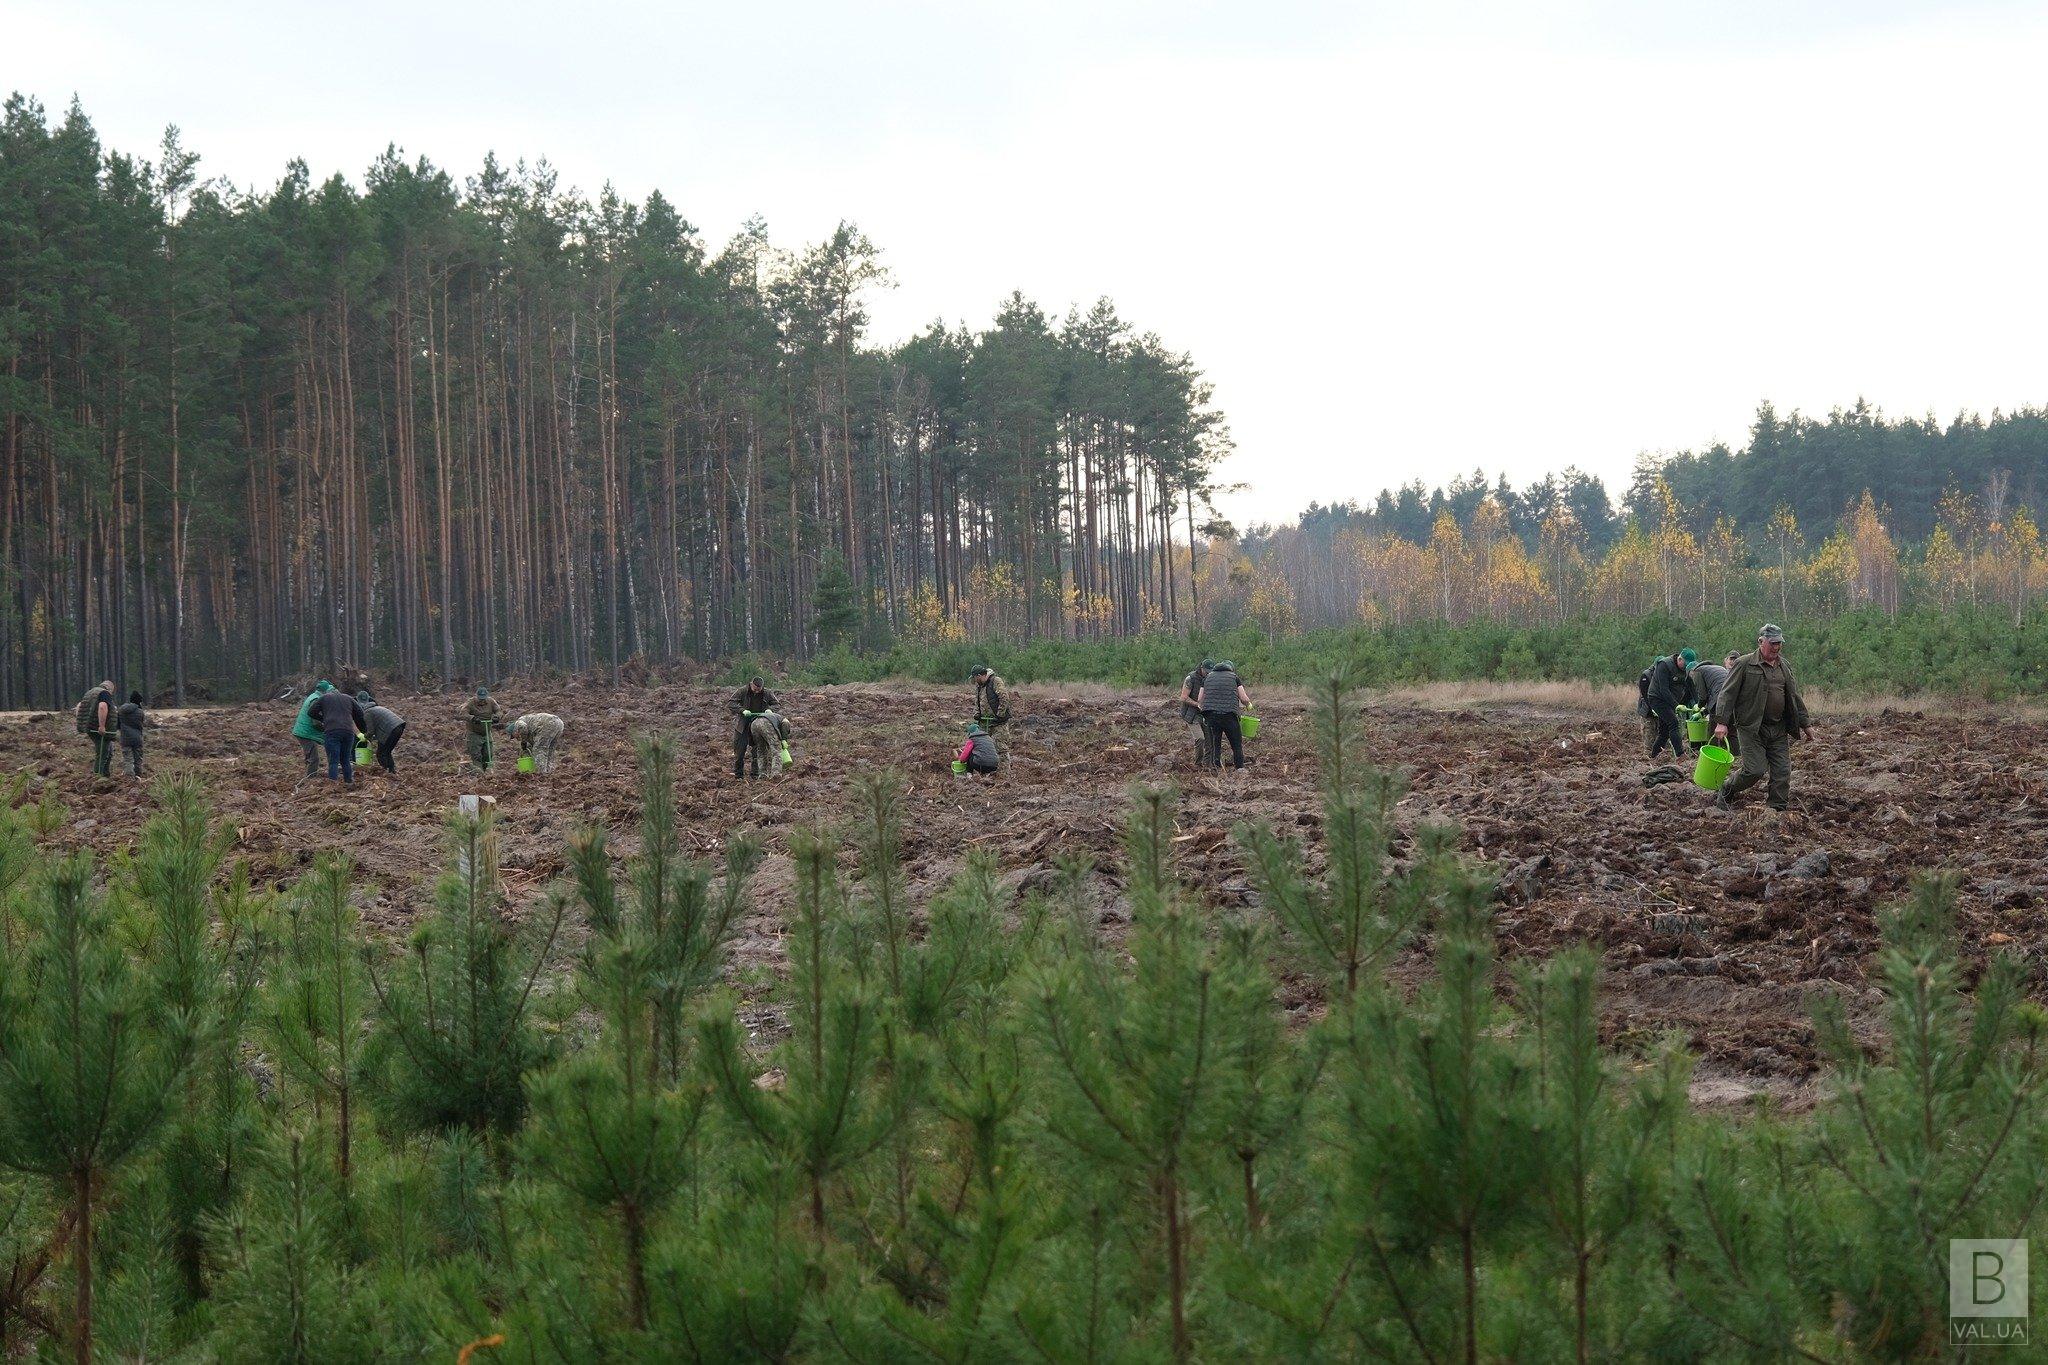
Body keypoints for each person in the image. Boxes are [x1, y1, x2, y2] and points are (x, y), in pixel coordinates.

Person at [1712, 623, 1814, 812]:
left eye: (1779, 643)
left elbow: (1793, 696)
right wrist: (1721, 722)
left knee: (1783, 772)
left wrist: (1805, 724)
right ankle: (1727, 788)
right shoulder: (1744, 663)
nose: (1777, 647)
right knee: (1755, 770)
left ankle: (1776, 809)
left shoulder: (1784, 665)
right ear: (1761, 641)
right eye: (1773, 643)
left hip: (1778, 728)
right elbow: (1727, 694)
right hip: (1751, 727)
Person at [307, 686, 369, 784]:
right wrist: (358, 727)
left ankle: (333, 785)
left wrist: (323, 719)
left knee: (333, 761)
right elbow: (360, 713)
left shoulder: (324, 697)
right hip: (348, 732)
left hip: (332, 731)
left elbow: (311, 712)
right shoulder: (348, 698)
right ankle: (349, 782)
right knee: (345, 760)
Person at [1643, 649, 1696, 760]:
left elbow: (1691, 686)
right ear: (1680, 659)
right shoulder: (1664, 664)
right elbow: (1664, 689)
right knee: (1673, 723)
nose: (1685, 668)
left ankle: (1654, 756)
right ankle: (1680, 755)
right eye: (1685, 665)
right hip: (1657, 698)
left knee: (1664, 731)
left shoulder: (1685, 669)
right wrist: (1676, 705)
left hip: (1670, 700)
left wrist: (1698, 704)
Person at [1200, 659, 1252, 770]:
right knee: (1236, 745)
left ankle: (1216, 767)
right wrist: (1248, 705)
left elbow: (1200, 699)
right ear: (1231, 669)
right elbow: (1243, 698)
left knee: (1215, 743)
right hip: (1229, 716)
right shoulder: (1234, 677)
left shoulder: (1207, 678)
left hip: (1211, 716)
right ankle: (1239, 769)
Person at [730, 677, 778, 778]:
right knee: (739, 751)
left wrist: (769, 710)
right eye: (755, 689)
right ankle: (738, 775)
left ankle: (755, 774)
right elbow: (731, 703)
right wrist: (742, 710)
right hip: (742, 726)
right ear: (751, 684)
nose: (756, 691)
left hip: (758, 726)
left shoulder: (767, 693)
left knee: (757, 751)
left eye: (759, 690)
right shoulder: (742, 691)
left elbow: (777, 704)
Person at [356, 690, 407, 774]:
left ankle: (386, 772)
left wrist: (364, 737)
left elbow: (371, 731)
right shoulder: (376, 708)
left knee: (380, 753)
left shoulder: (367, 713)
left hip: (391, 729)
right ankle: (392, 771)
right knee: (387, 751)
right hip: (399, 726)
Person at [293, 681, 333, 776]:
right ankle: (311, 779)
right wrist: (326, 730)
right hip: (305, 732)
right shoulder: (316, 700)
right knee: (314, 758)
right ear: (325, 691)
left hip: (304, 731)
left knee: (310, 755)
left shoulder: (314, 696)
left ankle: (309, 774)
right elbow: (315, 722)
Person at [1180, 660, 1214, 764]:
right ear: (1201, 668)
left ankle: (1208, 763)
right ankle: (1198, 764)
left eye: (1210, 671)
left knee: (1210, 740)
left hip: (1205, 714)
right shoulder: (1191, 678)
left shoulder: (1211, 678)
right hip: (1191, 714)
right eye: (1206, 671)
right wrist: (1197, 704)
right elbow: (1183, 698)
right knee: (1200, 738)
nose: (1208, 673)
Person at [80, 679, 115, 777]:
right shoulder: (104, 693)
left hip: (90, 727)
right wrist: (102, 726)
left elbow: (79, 706)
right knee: (103, 752)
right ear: (110, 688)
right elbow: (102, 707)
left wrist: (82, 724)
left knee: (108, 750)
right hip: (99, 729)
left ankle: (105, 774)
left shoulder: (89, 693)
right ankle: (98, 777)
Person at [462, 687, 501, 770]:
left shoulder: (491, 701)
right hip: (474, 733)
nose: (482, 701)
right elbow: (463, 713)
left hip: (486, 731)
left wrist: (497, 717)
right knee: (476, 755)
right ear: (476, 696)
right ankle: (478, 772)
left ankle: (485, 770)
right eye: (480, 699)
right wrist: (472, 718)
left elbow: (498, 710)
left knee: (488, 754)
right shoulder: (471, 702)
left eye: (484, 699)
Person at [116, 690, 147, 779]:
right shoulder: (140, 712)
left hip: (125, 738)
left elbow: (117, 724)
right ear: (139, 701)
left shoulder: (121, 710)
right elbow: (141, 726)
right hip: (137, 738)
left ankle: (128, 777)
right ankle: (138, 775)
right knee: (138, 758)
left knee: (128, 759)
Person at [970, 665, 1011, 730]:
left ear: (979, 676)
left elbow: (1004, 697)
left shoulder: (995, 681)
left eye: (975, 678)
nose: (975, 680)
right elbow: (977, 701)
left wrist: (1000, 714)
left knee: (999, 740)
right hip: (984, 723)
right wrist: (977, 713)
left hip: (998, 724)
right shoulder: (979, 686)